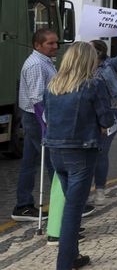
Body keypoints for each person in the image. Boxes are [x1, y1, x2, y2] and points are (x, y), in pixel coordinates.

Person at [44, 42, 115, 270]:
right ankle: (64, 265)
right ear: (87, 60)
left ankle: (73, 256)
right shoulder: (93, 85)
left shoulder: (53, 85)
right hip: (81, 153)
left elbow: (47, 116)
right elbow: (107, 120)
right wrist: (102, 125)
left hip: (56, 151)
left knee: (71, 205)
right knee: (73, 211)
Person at [12, 28, 58, 222]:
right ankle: (64, 204)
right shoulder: (36, 65)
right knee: (53, 162)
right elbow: (37, 99)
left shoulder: (44, 61)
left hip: (36, 118)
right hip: (37, 119)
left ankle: (23, 205)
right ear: (37, 45)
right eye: (50, 43)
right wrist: (46, 125)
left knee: (29, 163)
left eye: (56, 43)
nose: (55, 46)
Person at [89, 24, 117, 204]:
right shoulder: (83, 68)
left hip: (109, 115)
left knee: (101, 152)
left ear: (98, 52)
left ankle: (100, 191)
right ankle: (83, 190)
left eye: (89, 49)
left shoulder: (110, 66)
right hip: (89, 116)